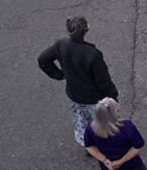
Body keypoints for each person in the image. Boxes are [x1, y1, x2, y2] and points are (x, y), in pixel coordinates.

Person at [38, 16, 119, 146]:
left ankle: (88, 145)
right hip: (95, 98)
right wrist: (113, 96)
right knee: (102, 123)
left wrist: (60, 75)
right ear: (85, 31)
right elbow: (104, 82)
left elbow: (43, 60)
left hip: (75, 94)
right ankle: (105, 145)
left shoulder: (61, 45)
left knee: (82, 121)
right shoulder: (93, 54)